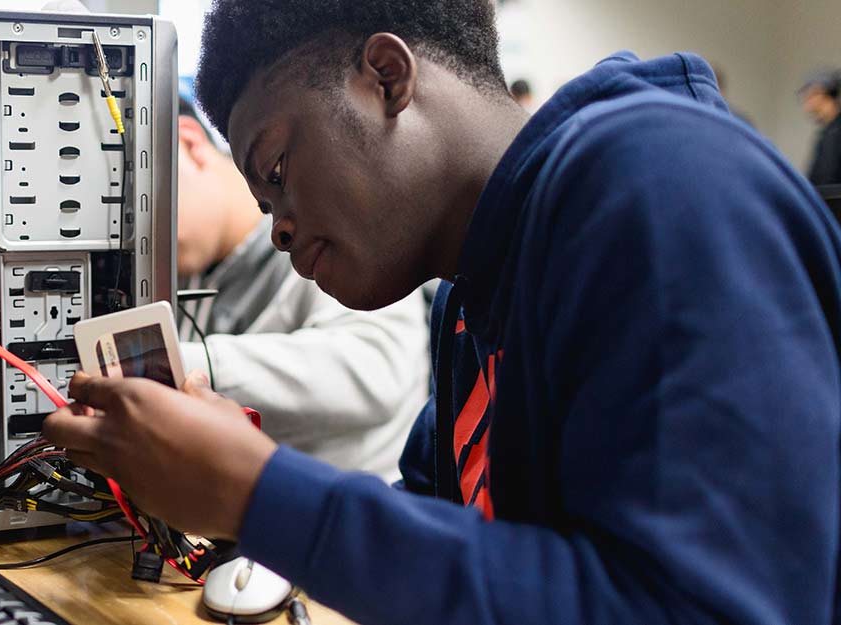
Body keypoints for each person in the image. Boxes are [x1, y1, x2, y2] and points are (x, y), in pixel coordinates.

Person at [43, 1, 841, 624]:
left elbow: (702, 607)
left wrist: (259, 493)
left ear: (387, 77)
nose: (277, 225)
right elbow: (440, 537)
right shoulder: (474, 294)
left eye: (280, 169)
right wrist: (219, 485)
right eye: (262, 199)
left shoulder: (663, 186)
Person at [172, 97, 430, 477]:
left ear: (189, 144)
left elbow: (375, 370)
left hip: (357, 512)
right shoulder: (193, 270)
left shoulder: (329, 226)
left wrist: (190, 365)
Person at [802, 69, 841, 186]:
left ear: (819, 92)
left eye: (808, 94)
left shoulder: (835, 133)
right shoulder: (829, 131)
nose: (805, 101)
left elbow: (827, 177)